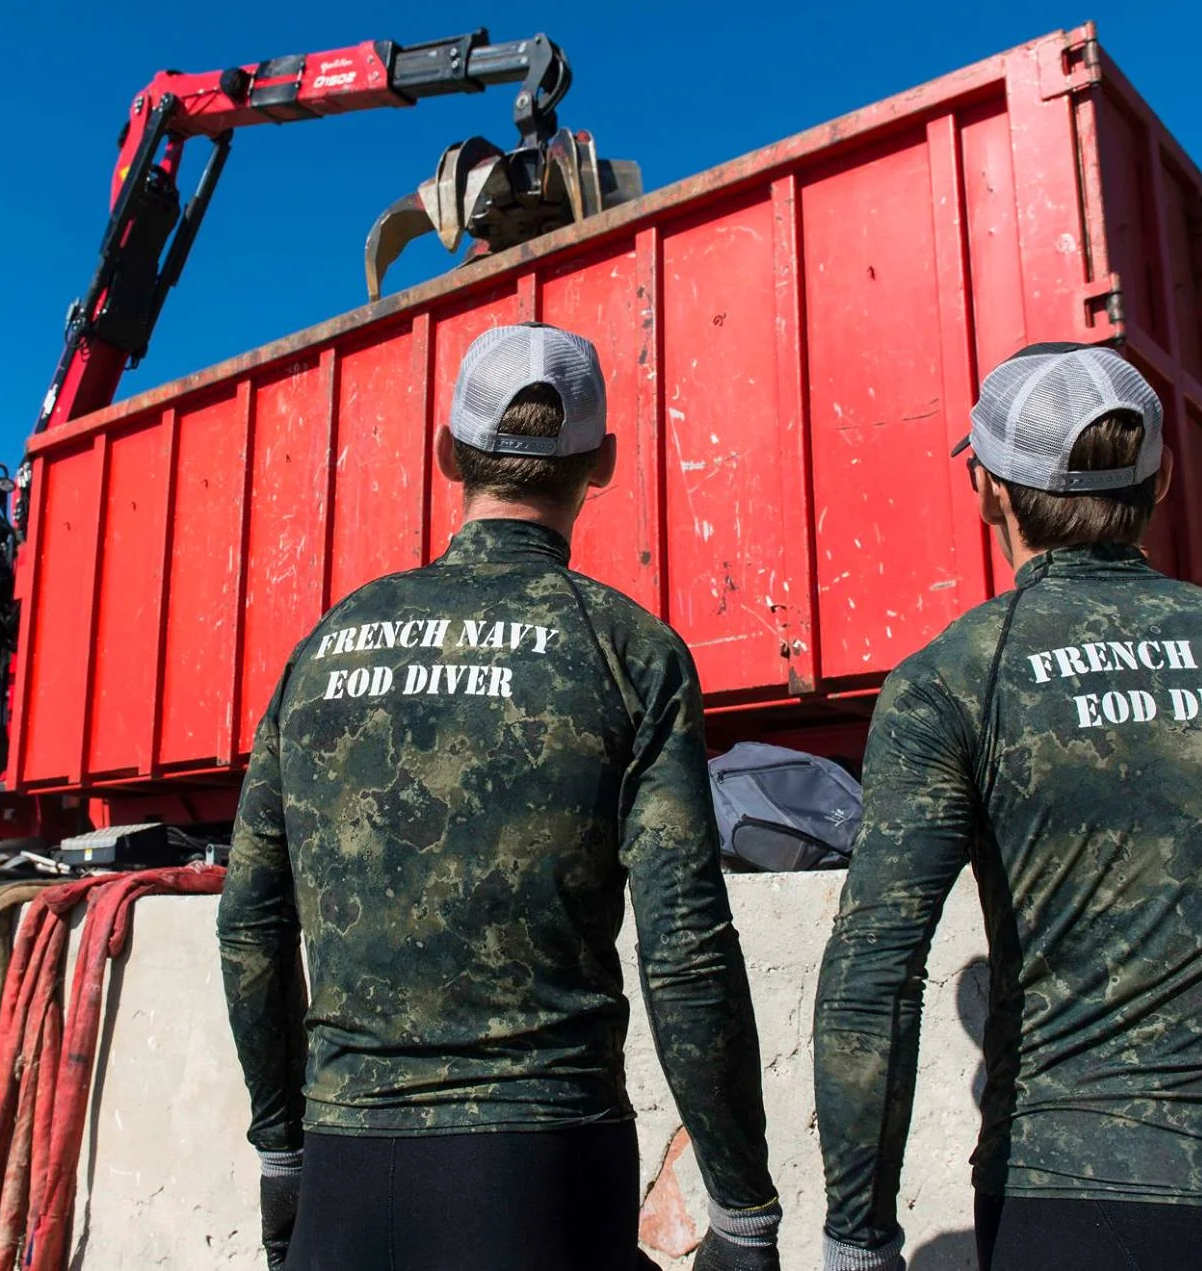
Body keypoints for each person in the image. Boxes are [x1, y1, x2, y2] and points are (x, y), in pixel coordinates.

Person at [812, 343, 1202, 1271]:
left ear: (987, 486)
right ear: (1163, 479)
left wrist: (857, 1239)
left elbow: (873, 981)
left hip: (1066, 1206)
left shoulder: (957, 676)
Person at [217, 322, 782, 1271]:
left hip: (346, 1174)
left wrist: (282, 1152)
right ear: (599, 465)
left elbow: (250, 924)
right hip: (547, 1172)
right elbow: (684, 949)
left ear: (448, 455)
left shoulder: (325, 646)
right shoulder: (630, 651)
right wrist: (742, 1211)